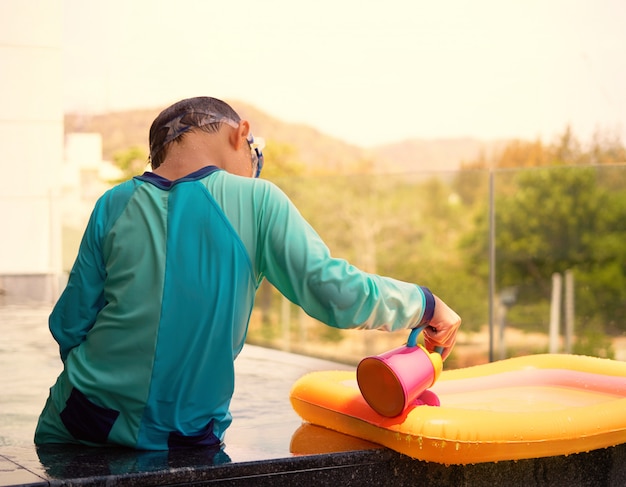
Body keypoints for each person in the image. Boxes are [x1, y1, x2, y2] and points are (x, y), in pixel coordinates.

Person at [34, 96, 461, 450]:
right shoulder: (257, 200)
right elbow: (334, 293)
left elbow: (68, 325)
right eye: (255, 157)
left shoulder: (112, 203)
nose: (255, 168)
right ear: (240, 134)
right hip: (185, 438)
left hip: (76, 424)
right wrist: (425, 304)